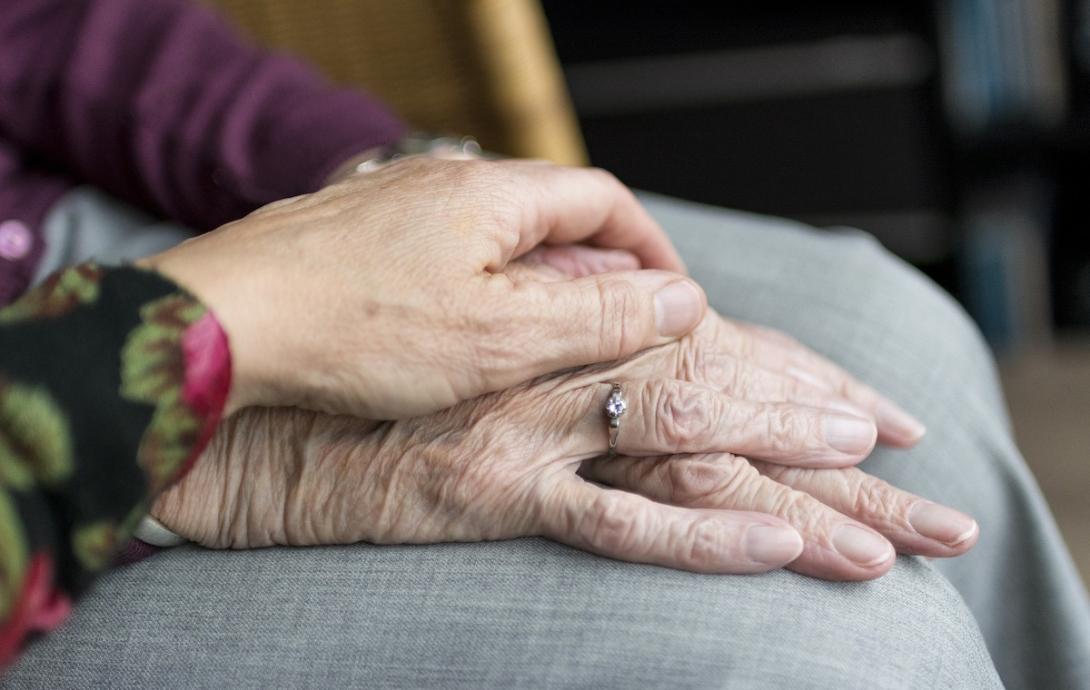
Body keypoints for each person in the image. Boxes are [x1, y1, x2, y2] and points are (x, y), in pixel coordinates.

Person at [0, 1, 1087, 688]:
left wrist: (382, 188)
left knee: (889, 339)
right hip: (42, 485)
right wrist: (225, 443)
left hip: (80, 231)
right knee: (834, 643)